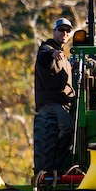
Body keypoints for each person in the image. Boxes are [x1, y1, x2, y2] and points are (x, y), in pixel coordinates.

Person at [33, 17, 75, 175]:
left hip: (65, 103)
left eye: (67, 31)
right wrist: (54, 53)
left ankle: (65, 167)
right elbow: (44, 55)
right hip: (52, 104)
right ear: (54, 32)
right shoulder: (47, 48)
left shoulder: (66, 56)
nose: (64, 33)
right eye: (61, 30)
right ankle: (58, 168)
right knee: (67, 128)